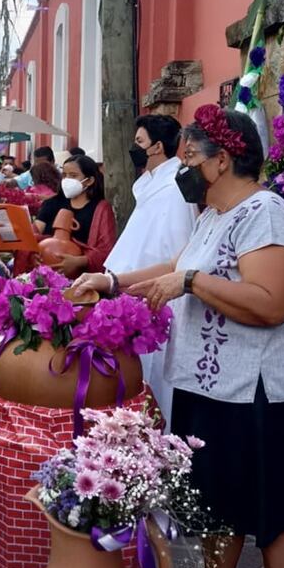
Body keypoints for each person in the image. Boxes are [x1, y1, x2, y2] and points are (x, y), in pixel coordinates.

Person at [71, 104, 284, 568]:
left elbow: (270, 303)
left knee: (275, 517)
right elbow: (171, 271)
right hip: (208, 387)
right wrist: (109, 282)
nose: (181, 167)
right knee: (215, 506)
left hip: (258, 391)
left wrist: (192, 281)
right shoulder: (213, 216)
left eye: (189, 156)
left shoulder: (268, 214)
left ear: (223, 159)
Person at [104, 113, 197, 426]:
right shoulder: (150, 185)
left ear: (157, 147)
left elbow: (178, 253)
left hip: (154, 299)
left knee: (152, 382)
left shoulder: (174, 189)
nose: (135, 148)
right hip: (129, 294)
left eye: (139, 143)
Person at [33, 154, 117, 278]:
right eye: (64, 175)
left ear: (89, 180)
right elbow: (33, 236)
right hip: (46, 275)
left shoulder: (101, 208)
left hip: (83, 278)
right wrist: (35, 254)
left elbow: (106, 250)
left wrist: (79, 261)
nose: (66, 180)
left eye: (73, 175)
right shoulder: (51, 203)